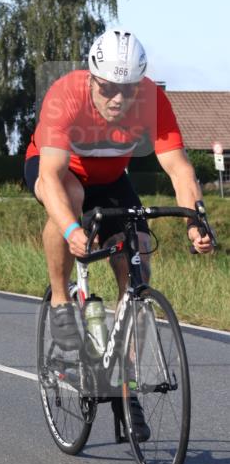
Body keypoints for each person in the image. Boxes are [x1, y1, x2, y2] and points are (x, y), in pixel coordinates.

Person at [24, 28, 213, 438]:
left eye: (127, 90)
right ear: (91, 77)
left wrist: (194, 219)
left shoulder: (151, 100)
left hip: (111, 177)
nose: (117, 99)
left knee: (138, 251)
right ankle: (60, 301)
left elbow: (179, 168)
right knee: (69, 198)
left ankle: (126, 391)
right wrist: (72, 228)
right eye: (108, 88)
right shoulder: (65, 95)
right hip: (60, 171)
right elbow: (52, 177)